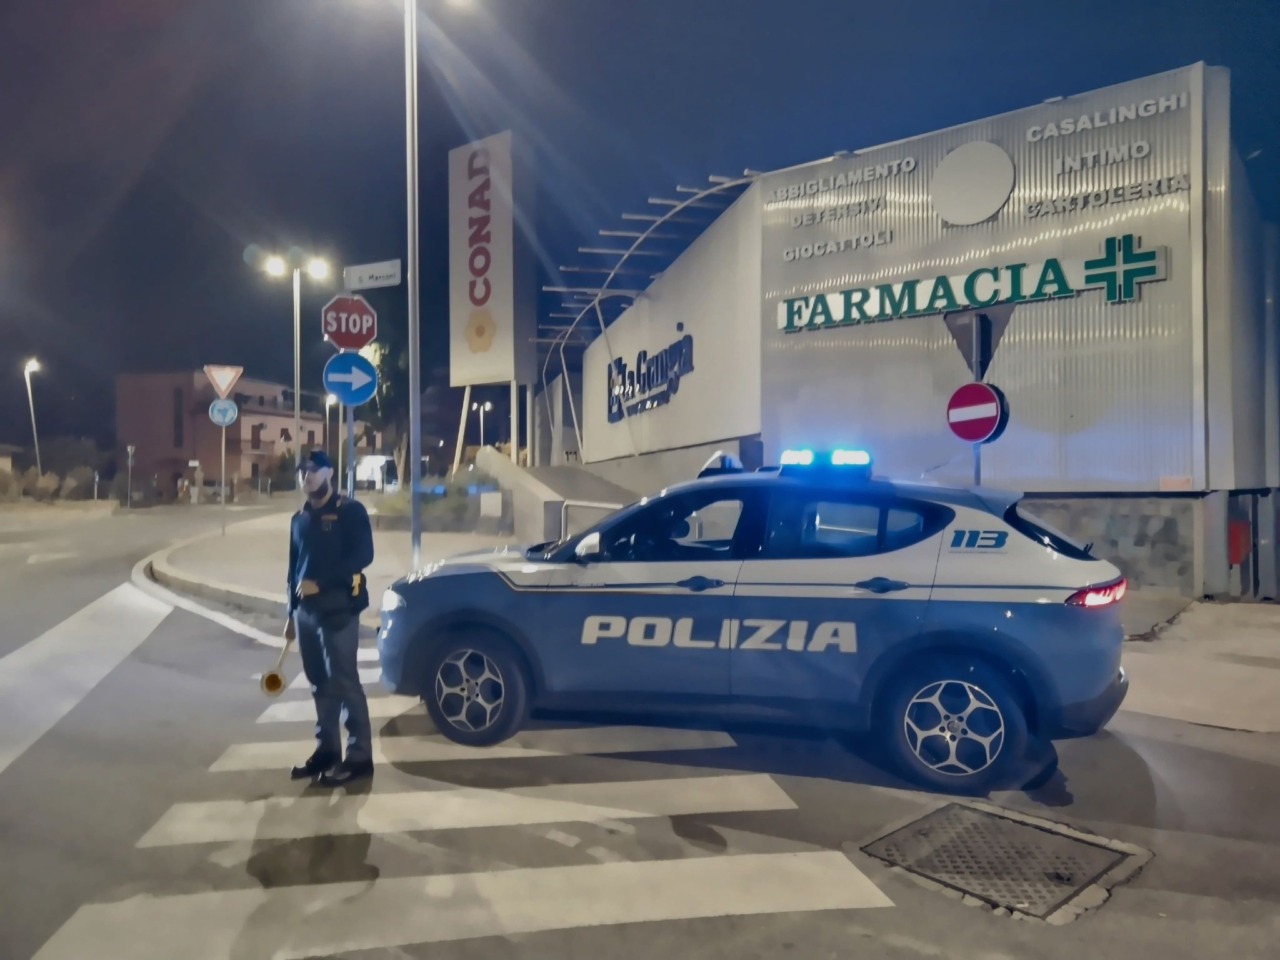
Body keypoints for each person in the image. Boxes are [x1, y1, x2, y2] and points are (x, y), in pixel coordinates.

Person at [284, 450, 375, 787]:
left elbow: (364, 555)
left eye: (312, 470)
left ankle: (360, 756)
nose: (305, 476)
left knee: (345, 681)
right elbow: (292, 570)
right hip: (305, 614)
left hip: (339, 610)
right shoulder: (299, 519)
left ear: (329, 473)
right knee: (319, 683)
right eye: (301, 471)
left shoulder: (350, 511)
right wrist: (290, 614)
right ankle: (327, 750)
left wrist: (320, 583)